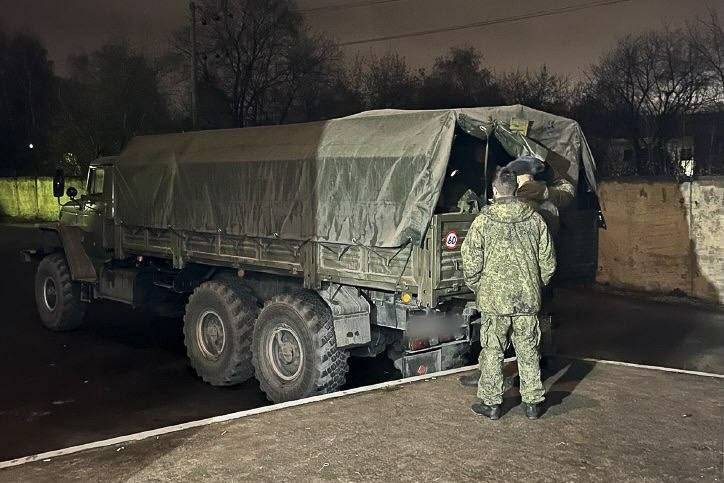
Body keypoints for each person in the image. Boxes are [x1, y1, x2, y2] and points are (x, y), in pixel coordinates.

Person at [460, 167, 556, 420]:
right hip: (527, 298)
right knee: (528, 348)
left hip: (494, 299)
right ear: (516, 189)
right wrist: (534, 284)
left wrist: (480, 288)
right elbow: (548, 263)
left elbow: (470, 262)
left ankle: (492, 404)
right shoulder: (536, 220)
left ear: (494, 191)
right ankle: (533, 403)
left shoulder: (483, 221)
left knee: (492, 349)